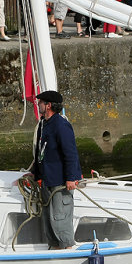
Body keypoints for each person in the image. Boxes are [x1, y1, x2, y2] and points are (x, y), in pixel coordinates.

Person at [27, 90, 82, 250]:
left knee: (60, 220)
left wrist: (71, 178)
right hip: (46, 181)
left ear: (48, 105)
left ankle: (66, 250)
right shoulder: (43, 125)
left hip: (60, 183)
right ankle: (55, 249)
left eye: (40, 103)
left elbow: (70, 153)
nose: (38, 105)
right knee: (49, 220)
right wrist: (34, 173)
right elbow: (40, 153)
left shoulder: (61, 125)